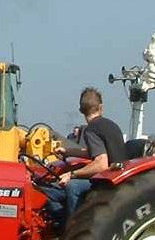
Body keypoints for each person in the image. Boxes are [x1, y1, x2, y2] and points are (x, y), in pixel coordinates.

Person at [44, 87, 126, 225]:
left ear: (81, 110)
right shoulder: (111, 125)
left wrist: (71, 175)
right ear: (101, 107)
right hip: (119, 178)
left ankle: (71, 228)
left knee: (60, 190)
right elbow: (93, 152)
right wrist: (67, 152)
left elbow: (101, 164)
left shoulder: (91, 129)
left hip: (107, 183)